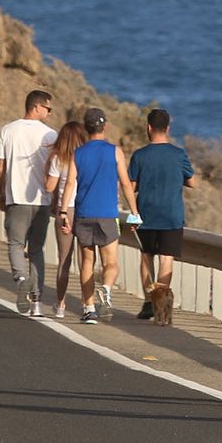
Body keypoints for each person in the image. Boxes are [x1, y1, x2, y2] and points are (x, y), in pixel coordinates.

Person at [62, 108, 141, 325]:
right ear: (104, 126)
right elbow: (125, 183)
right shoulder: (115, 152)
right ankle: (105, 289)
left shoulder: (77, 153)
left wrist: (62, 211)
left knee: (87, 262)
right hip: (107, 214)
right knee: (111, 263)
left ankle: (89, 310)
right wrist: (134, 212)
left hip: (84, 213)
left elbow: (70, 183)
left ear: (86, 129)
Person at [127, 108, 197, 322]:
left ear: (148, 128)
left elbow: (131, 186)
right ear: (167, 128)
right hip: (172, 215)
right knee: (166, 258)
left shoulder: (140, 155)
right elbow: (192, 182)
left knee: (146, 256)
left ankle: (149, 302)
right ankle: (162, 305)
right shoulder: (179, 154)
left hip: (146, 214)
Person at [0, 89, 58, 316]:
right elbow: (56, 171)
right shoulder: (51, 136)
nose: (49, 112)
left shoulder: (8, 130)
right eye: (48, 108)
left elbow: (0, 167)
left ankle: (21, 280)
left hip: (16, 197)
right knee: (37, 249)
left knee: (15, 244)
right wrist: (56, 199)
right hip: (42, 200)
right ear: (36, 107)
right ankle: (37, 302)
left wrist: (0, 192)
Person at [43, 120, 88, 320]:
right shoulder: (87, 158)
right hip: (85, 208)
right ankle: (88, 303)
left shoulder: (58, 159)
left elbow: (49, 187)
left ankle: (60, 303)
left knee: (64, 260)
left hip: (65, 210)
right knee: (85, 259)